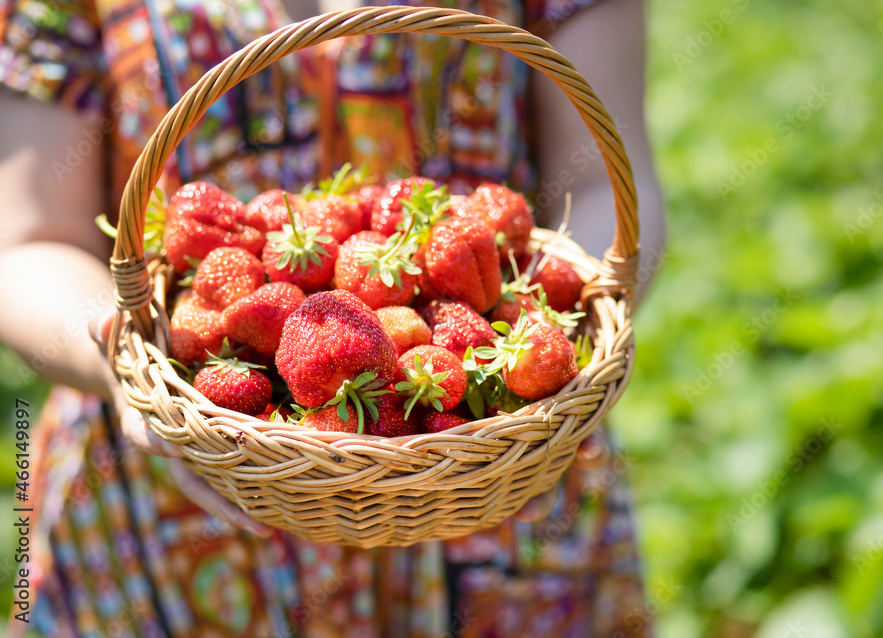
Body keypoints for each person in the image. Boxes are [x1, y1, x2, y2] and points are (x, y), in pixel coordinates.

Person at [0, 0, 665, 634]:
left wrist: (574, 316)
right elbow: (25, 244)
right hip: (173, 479)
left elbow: (602, 181)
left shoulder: (475, 345)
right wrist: (122, 357)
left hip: (504, 452)